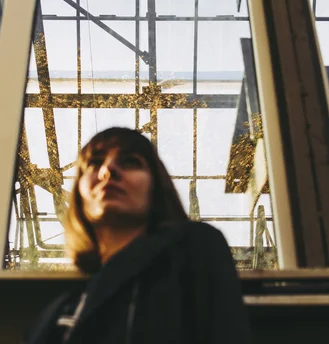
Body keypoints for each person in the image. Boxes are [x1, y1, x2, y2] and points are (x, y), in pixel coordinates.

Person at [28, 127, 251, 344]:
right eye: (95, 163)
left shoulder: (196, 246)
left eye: (130, 161)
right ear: (79, 194)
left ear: (156, 187)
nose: (108, 170)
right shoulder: (58, 310)